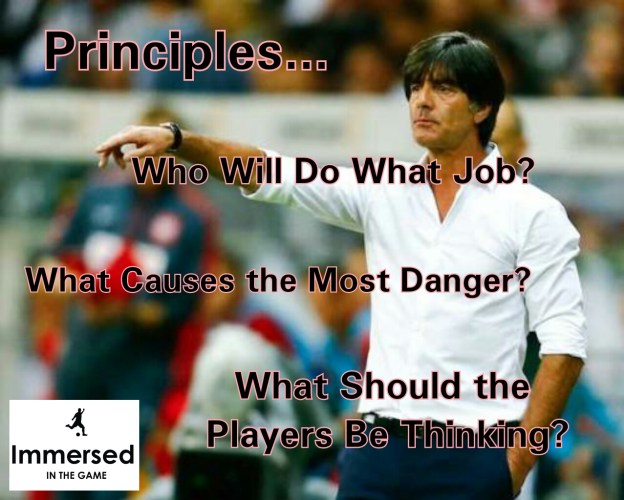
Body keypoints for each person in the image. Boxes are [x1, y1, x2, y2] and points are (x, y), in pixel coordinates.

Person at [97, 31, 586, 499]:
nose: (422, 101)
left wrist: (516, 462)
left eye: (443, 88)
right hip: (377, 450)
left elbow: (564, 347)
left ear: (481, 108)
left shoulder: (532, 213)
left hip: (473, 452)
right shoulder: (384, 191)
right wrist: (179, 141)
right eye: (415, 87)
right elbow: (275, 173)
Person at [55, 105, 218, 500]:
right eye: (139, 146)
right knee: (62, 484)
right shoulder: (95, 195)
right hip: (80, 360)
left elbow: (184, 306)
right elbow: (55, 257)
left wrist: (125, 311)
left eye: (158, 150)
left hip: (138, 373)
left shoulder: (193, 218)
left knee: (109, 492)